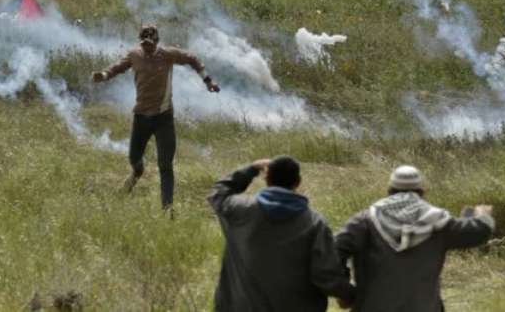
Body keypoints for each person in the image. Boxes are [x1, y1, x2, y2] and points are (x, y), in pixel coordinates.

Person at [92, 24, 218, 210]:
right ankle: (137, 173)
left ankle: (167, 208)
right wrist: (103, 75)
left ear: (157, 42)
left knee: (165, 165)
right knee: (134, 158)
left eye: (150, 44)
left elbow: (192, 58)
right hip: (141, 117)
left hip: (163, 118)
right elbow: (117, 67)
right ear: (140, 42)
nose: (147, 48)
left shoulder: (168, 54)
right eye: (144, 44)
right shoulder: (134, 55)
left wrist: (207, 80)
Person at [334, 165, 494, 312]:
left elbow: (332, 251)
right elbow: (479, 232)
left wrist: (346, 293)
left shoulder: (365, 221)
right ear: (421, 192)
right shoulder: (439, 223)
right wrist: (482, 215)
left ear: (389, 190)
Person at [209, 156, 356, 311]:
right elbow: (326, 277)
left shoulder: (239, 209)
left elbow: (218, 193)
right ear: (298, 182)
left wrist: (252, 169)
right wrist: (351, 295)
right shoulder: (314, 223)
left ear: (267, 179)